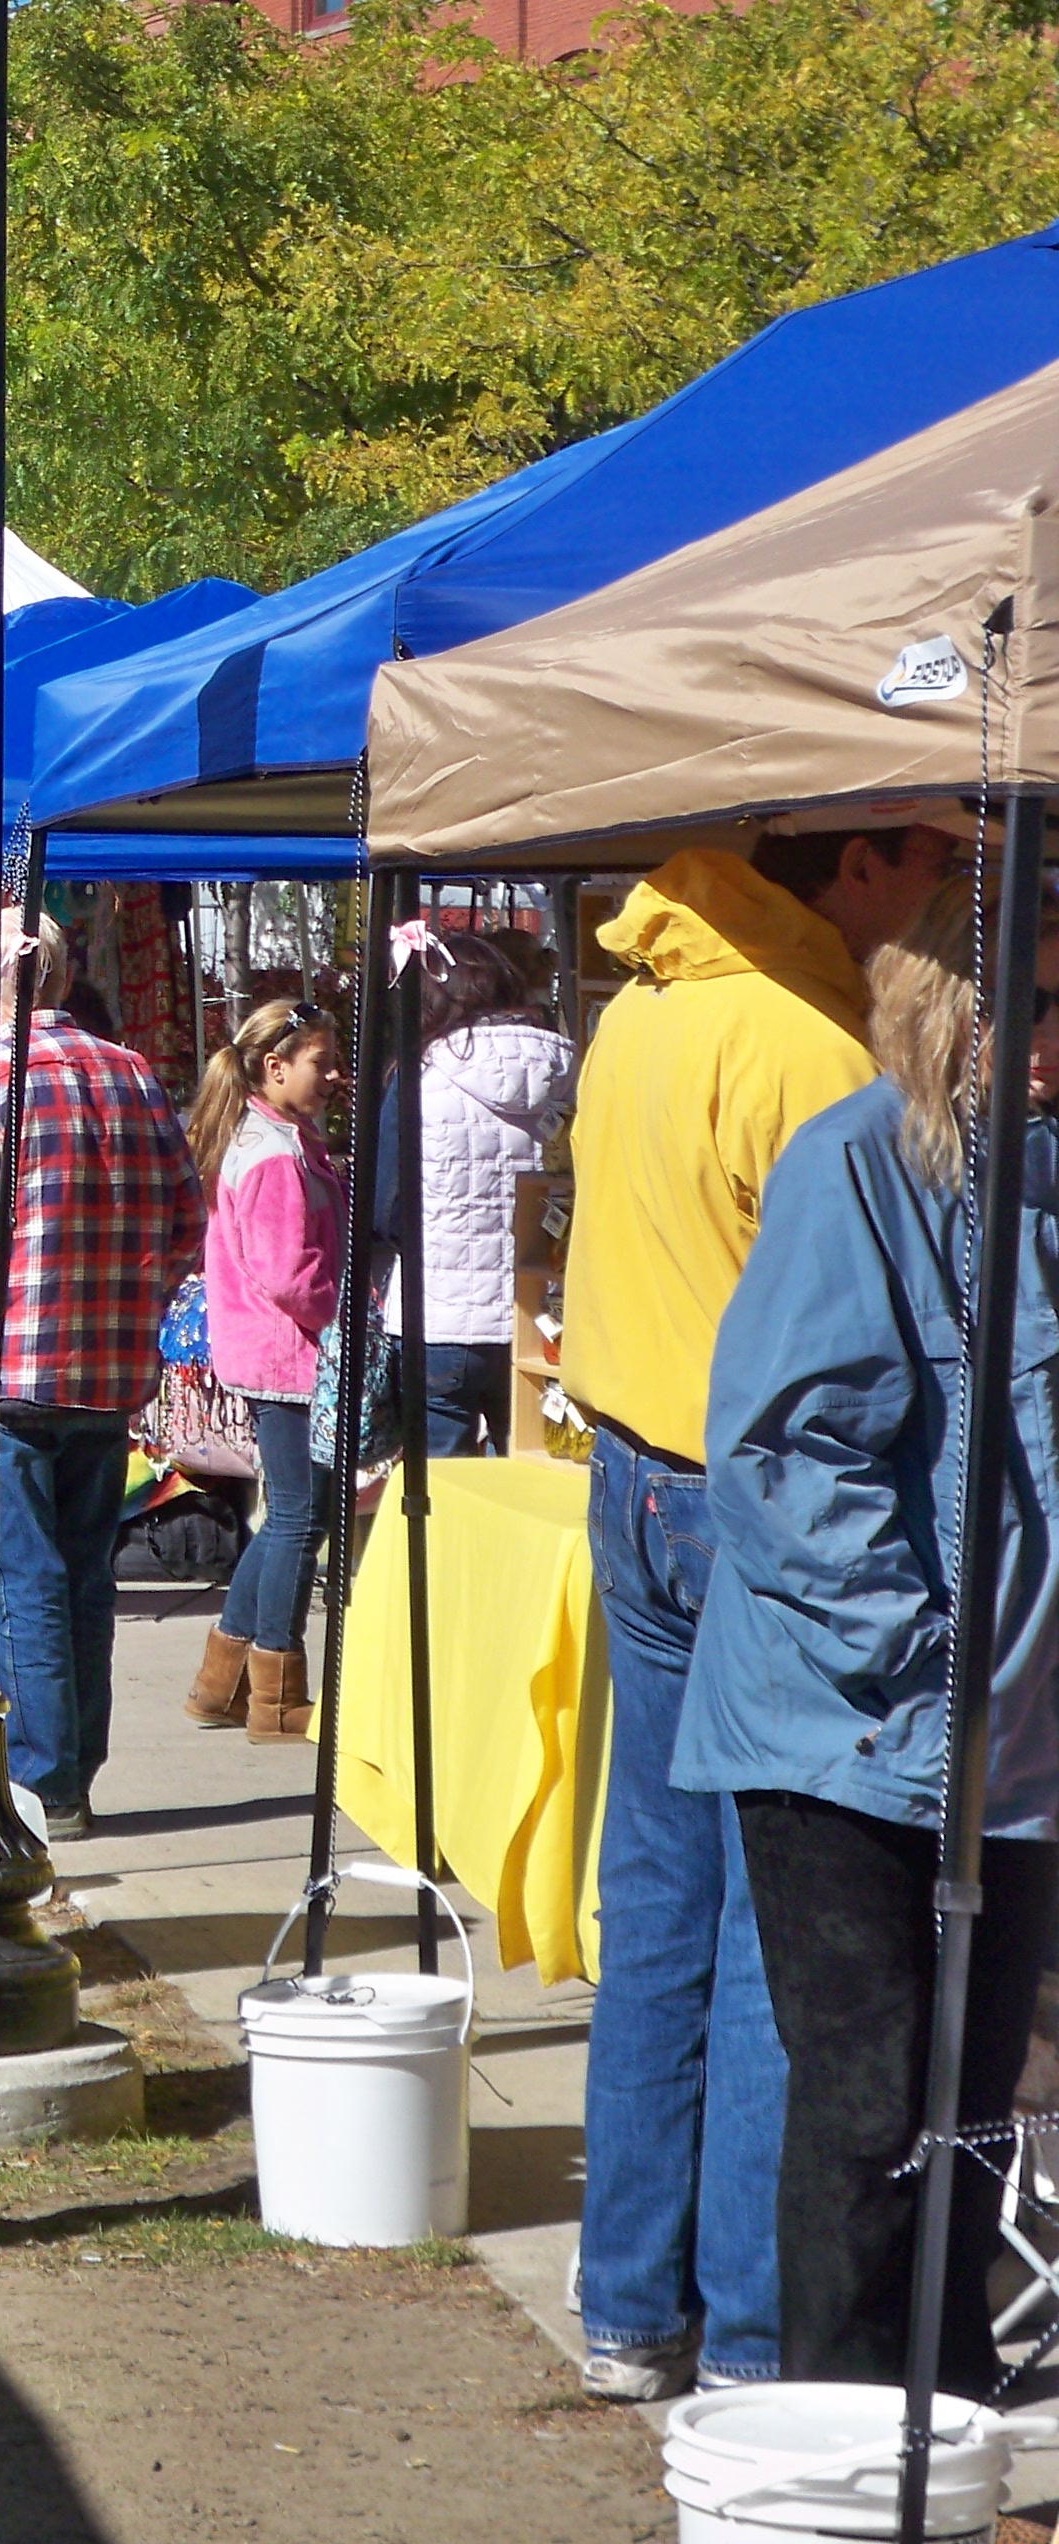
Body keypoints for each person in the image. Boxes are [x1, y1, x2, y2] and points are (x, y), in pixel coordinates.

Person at [562, 824, 953, 2403]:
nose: (940, 882)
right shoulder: (801, 1043)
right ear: (852, 868)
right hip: (746, 1504)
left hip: (637, 1471)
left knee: (659, 1908)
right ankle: (737, 2335)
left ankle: (629, 2309)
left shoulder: (646, 1006)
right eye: (924, 854)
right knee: (769, 1930)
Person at [676, 879, 1059, 2394]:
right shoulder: (855, 1166)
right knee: (870, 2112)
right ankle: (842, 2432)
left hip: (1008, 1747)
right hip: (855, 1736)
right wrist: (928, 1655)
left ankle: (944, 2428)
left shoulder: (1033, 1175)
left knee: (969, 2111)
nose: (1047, 1045)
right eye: (1028, 1008)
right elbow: (784, 1458)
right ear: (952, 1011)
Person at [0, 912, 204, 1839]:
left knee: (31, 1575)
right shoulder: (131, 1071)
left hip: (15, 1364)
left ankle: (46, 1779)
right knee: (83, 1572)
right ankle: (71, 1772)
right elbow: (187, 1220)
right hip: (110, 1366)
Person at [184, 996, 344, 1745]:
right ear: (275, 1067)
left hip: (270, 1349)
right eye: (322, 1062)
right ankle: (274, 1692)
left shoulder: (273, 1138)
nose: (335, 1075)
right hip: (286, 1353)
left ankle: (221, 1682)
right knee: (294, 1518)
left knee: (288, 1516)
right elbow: (289, 1272)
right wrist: (342, 1311)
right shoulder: (275, 1153)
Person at [371, 927, 577, 1463]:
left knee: (441, 1495)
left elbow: (385, 1211)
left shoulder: (419, 1077)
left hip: (437, 1314)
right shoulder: (572, 1069)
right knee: (536, 1480)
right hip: (545, 1310)